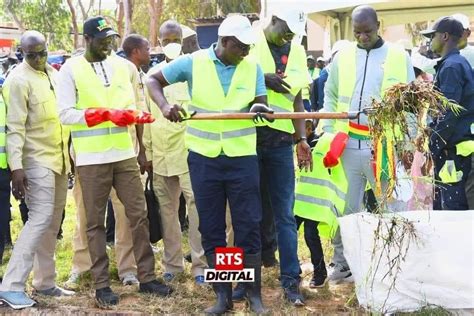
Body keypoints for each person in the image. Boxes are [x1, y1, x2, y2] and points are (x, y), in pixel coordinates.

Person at [147, 15, 271, 314]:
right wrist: (164, 106)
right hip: (204, 160)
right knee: (212, 229)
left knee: (247, 227)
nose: (246, 52)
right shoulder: (194, 62)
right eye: (241, 47)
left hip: (242, 158)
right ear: (225, 42)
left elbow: (261, 102)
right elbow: (153, 79)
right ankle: (223, 296)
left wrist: (260, 108)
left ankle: (252, 292)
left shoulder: (251, 67)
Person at [57, 16, 172, 307]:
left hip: (124, 154)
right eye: (102, 40)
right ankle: (101, 285)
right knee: (95, 223)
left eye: (111, 39)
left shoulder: (124, 67)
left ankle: (146, 278)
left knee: (139, 215)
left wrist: (136, 119)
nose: (108, 44)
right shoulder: (70, 69)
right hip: (91, 158)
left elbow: (135, 104)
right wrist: (103, 115)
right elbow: (65, 114)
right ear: (87, 39)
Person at [322, 5, 414, 282]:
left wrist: (407, 143)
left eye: (368, 31)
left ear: (379, 25)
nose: (362, 37)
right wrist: (327, 132)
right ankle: (343, 263)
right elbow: (331, 94)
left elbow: (410, 102)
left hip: (384, 145)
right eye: (357, 32)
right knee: (344, 207)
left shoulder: (399, 56)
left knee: (391, 207)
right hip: (347, 144)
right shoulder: (343, 57)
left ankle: (394, 264)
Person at [0, 31, 73, 309]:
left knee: (53, 223)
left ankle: (45, 282)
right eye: (32, 55)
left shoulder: (53, 74)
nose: (39, 58)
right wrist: (16, 169)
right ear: (22, 54)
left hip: (58, 158)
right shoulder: (18, 80)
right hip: (34, 161)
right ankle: (11, 286)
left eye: (42, 52)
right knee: (39, 219)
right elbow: (14, 128)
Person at [244, 9, 312, 306]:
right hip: (244, 142)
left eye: (295, 33)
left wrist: (302, 139)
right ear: (272, 20)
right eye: (286, 30)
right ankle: (237, 285)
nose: (290, 37)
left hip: (281, 142)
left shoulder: (296, 50)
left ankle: (291, 283)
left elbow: (296, 98)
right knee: (243, 217)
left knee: (285, 215)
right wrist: (262, 79)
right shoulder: (246, 41)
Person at [144, 21, 207, 285]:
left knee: (195, 209)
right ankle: (172, 265)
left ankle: (200, 266)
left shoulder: (192, 70)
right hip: (160, 154)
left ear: (182, 40)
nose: (171, 42)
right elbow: (146, 117)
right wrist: (146, 153)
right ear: (158, 40)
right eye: (166, 38)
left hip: (188, 152)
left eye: (175, 38)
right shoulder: (151, 76)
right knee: (167, 211)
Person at [421, 16, 474, 210]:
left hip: (456, 154)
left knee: (455, 210)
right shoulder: (453, 64)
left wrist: (432, 145)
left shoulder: (452, 67)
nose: (429, 41)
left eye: (432, 36)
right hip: (457, 150)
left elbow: (448, 113)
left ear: (444, 36)